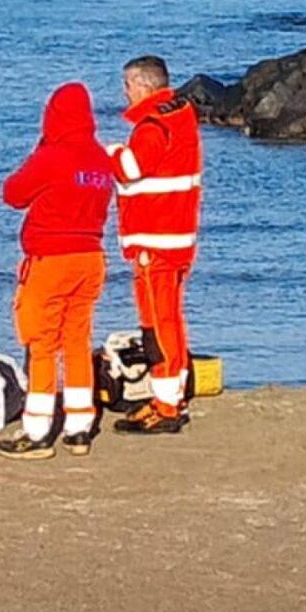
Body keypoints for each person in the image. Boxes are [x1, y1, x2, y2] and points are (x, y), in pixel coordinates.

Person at [0, 83, 115, 460]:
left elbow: (13, 194)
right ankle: (79, 426)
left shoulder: (53, 156)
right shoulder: (99, 159)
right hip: (90, 256)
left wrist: (40, 152)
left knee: (42, 344)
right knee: (77, 341)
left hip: (51, 258)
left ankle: (37, 429)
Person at [109, 55, 203, 434]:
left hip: (156, 237)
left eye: (128, 85)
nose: (124, 93)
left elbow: (131, 169)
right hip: (178, 233)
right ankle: (172, 390)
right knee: (172, 317)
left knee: (156, 321)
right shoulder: (181, 114)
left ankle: (165, 405)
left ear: (144, 86)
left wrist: (111, 152)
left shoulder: (151, 126)